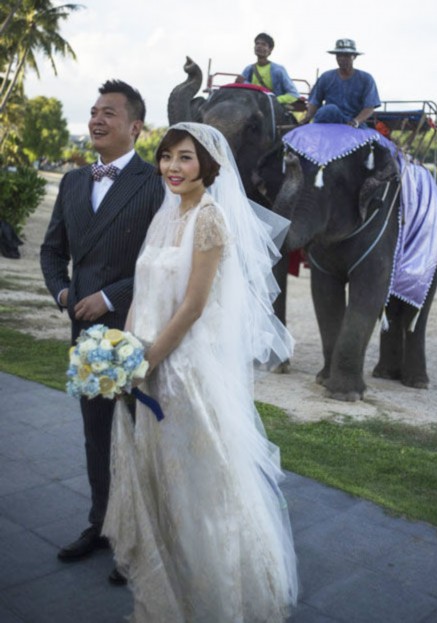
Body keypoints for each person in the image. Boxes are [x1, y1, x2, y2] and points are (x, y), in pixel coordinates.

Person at [102, 122, 298, 621]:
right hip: (146, 362)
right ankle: (168, 588)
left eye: (185, 158)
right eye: (167, 156)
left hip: (183, 370)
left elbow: (191, 307)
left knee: (198, 489)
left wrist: (146, 361)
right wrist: (119, 351)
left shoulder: (210, 219)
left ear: (208, 166)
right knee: (160, 483)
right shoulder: (165, 214)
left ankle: (214, 598)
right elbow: (143, 289)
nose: (172, 166)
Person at [40, 80, 165, 576]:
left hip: (135, 328)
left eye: (108, 113)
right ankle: (101, 524)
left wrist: (111, 295)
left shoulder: (156, 182)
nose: (97, 119)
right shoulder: (72, 182)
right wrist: (64, 292)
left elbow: (164, 262)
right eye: (93, 111)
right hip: (87, 335)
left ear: (135, 127)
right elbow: (52, 251)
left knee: (136, 435)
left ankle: (137, 537)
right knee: (97, 435)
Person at [301, 38, 381, 128]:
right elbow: (314, 101)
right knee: (329, 110)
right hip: (330, 120)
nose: (342, 59)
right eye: (339, 55)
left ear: (354, 57)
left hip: (353, 123)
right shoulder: (326, 77)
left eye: (346, 55)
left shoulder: (366, 79)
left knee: (370, 139)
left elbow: (369, 107)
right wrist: (307, 118)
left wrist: (356, 121)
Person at [236, 32, 303, 107]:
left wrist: (273, 100)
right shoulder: (248, 69)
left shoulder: (278, 70)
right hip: (252, 108)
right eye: (257, 43)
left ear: (270, 49)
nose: (259, 46)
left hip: (272, 110)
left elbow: (294, 94)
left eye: (263, 44)